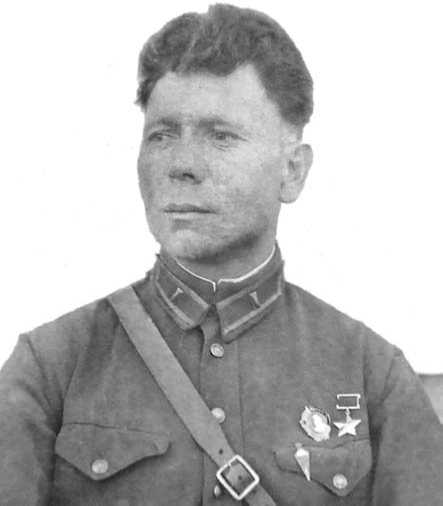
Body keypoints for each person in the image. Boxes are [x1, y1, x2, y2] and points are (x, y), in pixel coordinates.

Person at [0, 4, 441, 505]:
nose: (182, 165)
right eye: (162, 135)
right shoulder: (52, 367)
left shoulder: (372, 375)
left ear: (292, 171)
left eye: (221, 136)